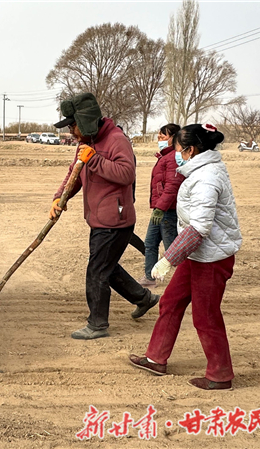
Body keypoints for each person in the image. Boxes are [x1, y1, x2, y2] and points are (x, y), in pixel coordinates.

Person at [129, 123, 242, 391]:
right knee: (170, 301)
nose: (174, 152)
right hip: (198, 255)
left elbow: (200, 228)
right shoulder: (200, 172)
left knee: (205, 315)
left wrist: (168, 258)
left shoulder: (207, 178)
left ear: (190, 150)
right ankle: (156, 358)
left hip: (212, 258)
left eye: (177, 148)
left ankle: (220, 375)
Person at [50, 93, 159, 340]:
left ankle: (98, 324)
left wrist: (95, 160)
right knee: (106, 267)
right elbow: (74, 174)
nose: (71, 131)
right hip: (100, 218)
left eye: (72, 125)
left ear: (85, 120)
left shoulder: (116, 140)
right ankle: (144, 298)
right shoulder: (86, 142)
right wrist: (59, 198)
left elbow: (126, 174)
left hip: (115, 221)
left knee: (97, 271)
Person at [139, 123, 183, 288]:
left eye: (163, 136)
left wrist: (161, 208)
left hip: (167, 211)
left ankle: (188, 278)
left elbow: (172, 186)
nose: (159, 138)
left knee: (172, 248)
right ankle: (150, 277)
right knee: (150, 243)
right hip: (159, 210)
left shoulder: (173, 158)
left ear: (173, 138)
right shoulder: (164, 157)